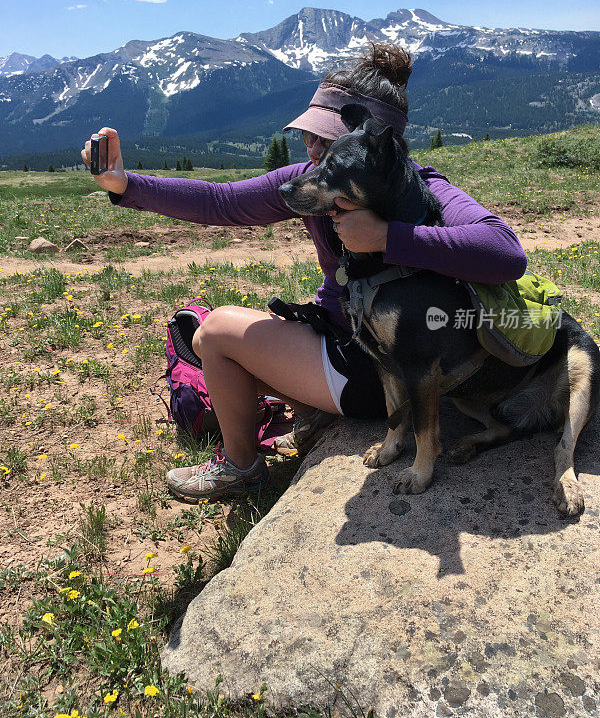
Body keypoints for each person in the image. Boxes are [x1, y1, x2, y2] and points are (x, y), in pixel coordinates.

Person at [81, 42, 527, 502]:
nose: (311, 150)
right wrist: (125, 185)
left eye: (325, 140)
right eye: (308, 136)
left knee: (214, 333)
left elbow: (506, 252)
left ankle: (242, 468)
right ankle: (310, 409)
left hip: (384, 370)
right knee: (215, 333)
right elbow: (223, 201)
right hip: (347, 344)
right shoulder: (313, 182)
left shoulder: (425, 188)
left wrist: (388, 238)